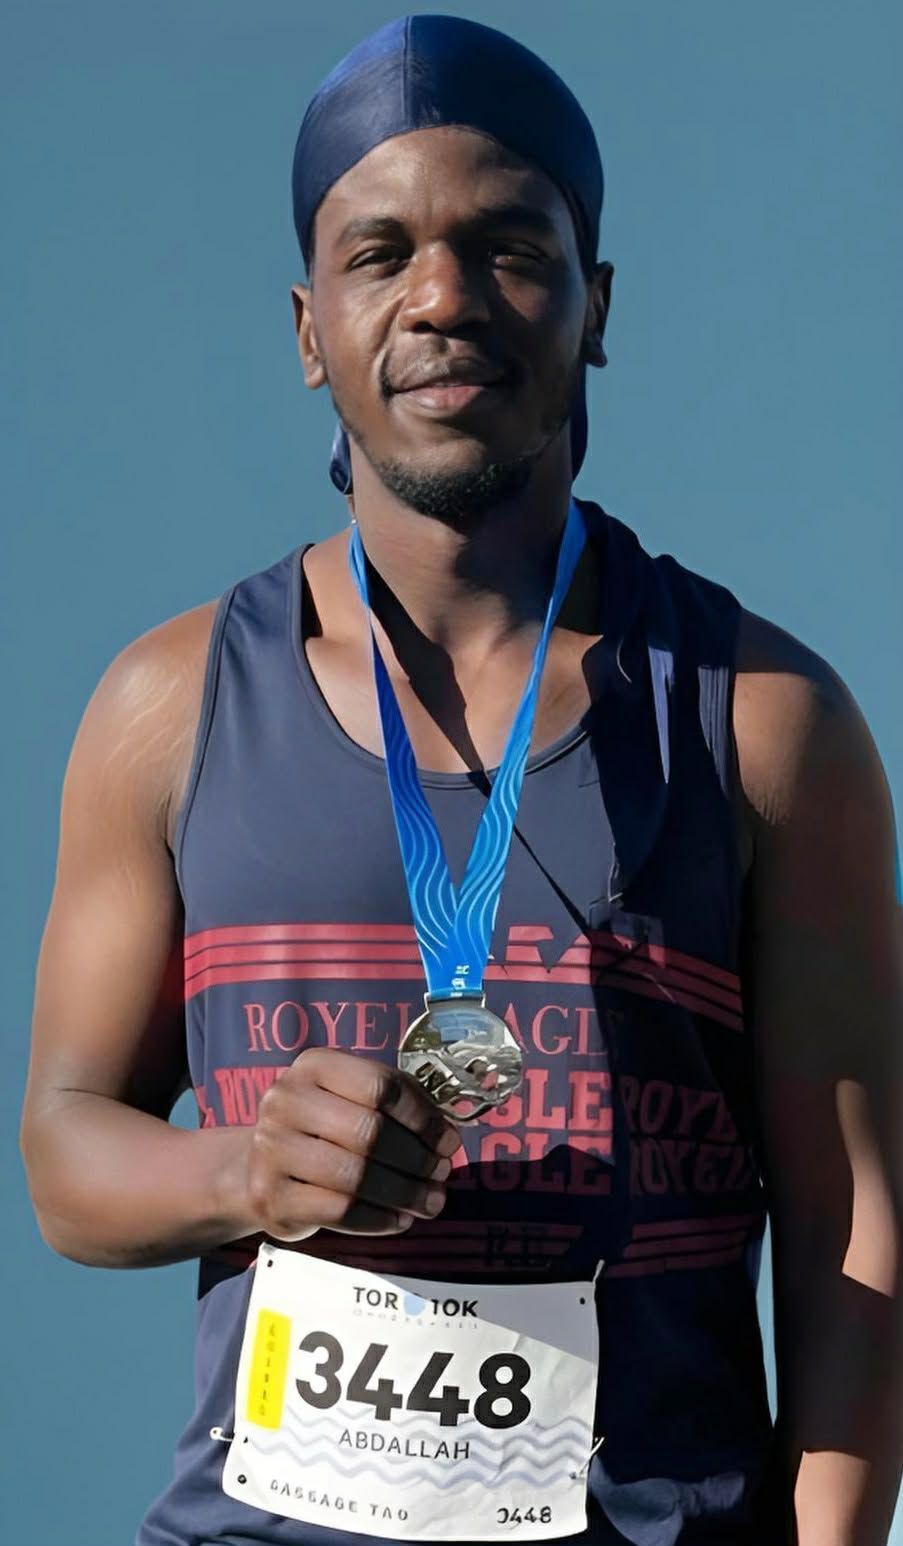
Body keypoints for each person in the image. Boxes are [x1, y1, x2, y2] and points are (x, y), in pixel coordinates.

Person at [19, 14, 903, 1546]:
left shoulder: (766, 722)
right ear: (309, 329)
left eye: (509, 247)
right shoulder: (169, 707)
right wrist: (248, 1167)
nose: (442, 296)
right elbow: (64, 1149)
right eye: (383, 253)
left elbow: (858, 1233)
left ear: (595, 305)